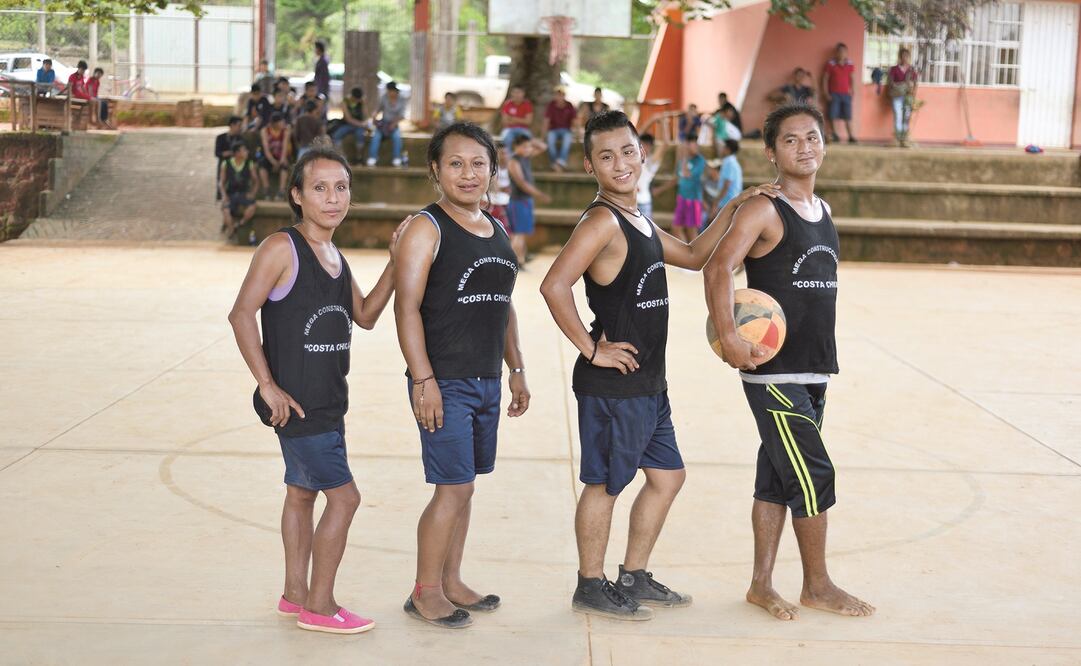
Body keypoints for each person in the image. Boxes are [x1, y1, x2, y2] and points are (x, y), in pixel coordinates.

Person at [539, 110, 778, 622]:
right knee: (604, 484)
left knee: (667, 477)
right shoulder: (602, 221)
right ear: (589, 165)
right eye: (606, 156)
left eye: (627, 151)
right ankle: (589, 583)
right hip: (613, 384)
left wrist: (734, 207)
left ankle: (634, 575)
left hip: (648, 382)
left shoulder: (637, 219)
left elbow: (693, 256)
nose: (620, 163)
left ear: (642, 151)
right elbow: (553, 284)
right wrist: (590, 346)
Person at [703, 103, 875, 622]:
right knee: (812, 473)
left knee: (778, 476)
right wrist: (729, 336)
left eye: (813, 137)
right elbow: (718, 267)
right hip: (772, 370)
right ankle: (817, 585)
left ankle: (760, 585)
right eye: (791, 140)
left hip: (814, 367)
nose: (805, 147)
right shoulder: (763, 209)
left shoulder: (822, 211)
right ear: (771, 152)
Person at [228, 144, 401, 635]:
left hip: (328, 401)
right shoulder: (282, 247)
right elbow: (242, 313)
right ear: (297, 195)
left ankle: (294, 595)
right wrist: (267, 386)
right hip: (299, 406)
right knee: (344, 499)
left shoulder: (336, 256)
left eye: (341, 187)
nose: (332, 198)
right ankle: (321, 607)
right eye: (320, 188)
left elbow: (364, 316)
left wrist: (393, 261)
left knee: (302, 493)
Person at [392, 122, 530, 629]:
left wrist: (516, 368)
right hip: (444, 379)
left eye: (478, 163)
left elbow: (504, 304)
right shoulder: (426, 228)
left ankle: (451, 580)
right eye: (455, 163)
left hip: (486, 378)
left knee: (465, 486)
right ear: (436, 170)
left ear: (493, 169)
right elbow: (406, 309)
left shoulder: (495, 227)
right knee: (451, 488)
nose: (468, 174)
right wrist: (423, 380)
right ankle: (425, 591)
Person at [506, 133, 552, 265]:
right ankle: (515, 261)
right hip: (518, 201)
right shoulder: (514, 161)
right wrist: (540, 195)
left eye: (529, 147)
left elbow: (543, 147)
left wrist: (529, 140)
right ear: (516, 147)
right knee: (518, 233)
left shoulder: (525, 158)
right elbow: (521, 183)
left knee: (521, 233)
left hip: (525, 200)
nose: (528, 149)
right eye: (524, 147)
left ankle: (521, 257)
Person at [655, 134, 707, 243]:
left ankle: (697, 257)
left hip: (693, 200)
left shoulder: (700, 160)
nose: (692, 147)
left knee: (691, 231)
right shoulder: (683, 160)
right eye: (689, 144)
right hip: (681, 199)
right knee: (676, 229)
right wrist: (660, 189)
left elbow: (686, 174)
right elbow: (677, 178)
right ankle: (688, 254)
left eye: (694, 144)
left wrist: (683, 156)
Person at [219, 141, 258, 238]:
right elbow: (221, 183)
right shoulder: (226, 163)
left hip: (243, 193)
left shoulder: (249, 163)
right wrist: (224, 195)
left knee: (252, 207)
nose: (247, 152)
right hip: (231, 194)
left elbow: (256, 181)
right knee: (225, 209)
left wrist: (253, 193)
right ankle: (231, 230)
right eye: (244, 150)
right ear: (237, 153)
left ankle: (239, 224)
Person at [822, 43, 856, 143]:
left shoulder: (850, 64)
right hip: (834, 93)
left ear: (846, 53)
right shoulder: (830, 64)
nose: (841, 53)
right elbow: (825, 78)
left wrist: (852, 90)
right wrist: (825, 92)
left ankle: (851, 136)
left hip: (846, 94)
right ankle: (835, 134)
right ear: (836, 52)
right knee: (833, 115)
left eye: (844, 51)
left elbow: (852, 78)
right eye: (839, 51)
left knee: (848, 116)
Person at [367, 82, 406, 167]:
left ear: (395, 91)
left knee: (396, 137)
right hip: (383, 124)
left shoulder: (402, 99)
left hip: (394, 124)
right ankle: (372, 157)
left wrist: (394, 123)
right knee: (376, 136)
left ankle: (397, 158)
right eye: (388, 91)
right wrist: (374, 116)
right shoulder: (384, 97)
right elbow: (378, 109)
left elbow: (402, 116)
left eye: (391, 91)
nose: (390, 93)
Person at [888, 48, 919, 148]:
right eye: (903, 55)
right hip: (897, 96)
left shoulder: (911, 69)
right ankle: (897, 138)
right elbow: (891, 82)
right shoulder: (894, 69)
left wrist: (913, 93)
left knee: (906, 117)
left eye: (907, 56)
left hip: (908, 97)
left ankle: (905, 138)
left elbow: (915, 82)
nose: (905, 58)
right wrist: (902, 85)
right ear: (900, 57)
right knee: (898, 116)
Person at [543, 86, 576, 171]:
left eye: (561, 95)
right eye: (557, 95)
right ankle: (555, 163)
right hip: (553, 130)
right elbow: (546, 120)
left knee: (567, 141)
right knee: (550, 141)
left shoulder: (569, 105)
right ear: (555, 96)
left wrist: (577, 132)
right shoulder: (551, 105)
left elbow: (574, 120)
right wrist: (543, 134)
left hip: (566, 130)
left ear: (564, 96)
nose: (559, 97)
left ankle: (560, 161)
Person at [260, 112, 292, 200]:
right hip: (270, 156)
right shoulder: (265, 130)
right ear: (275, 123)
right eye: (281, 122)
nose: (283, 123)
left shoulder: (286, 130)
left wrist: (281, 161)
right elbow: (266, 149)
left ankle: (281, 191)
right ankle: (266, 189)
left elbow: (284, 148)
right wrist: (273, 162)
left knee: (284, 165)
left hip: (281, 155)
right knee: (262, 165)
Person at [636, 133, 666, 220]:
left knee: (645, 232)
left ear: (650, 147)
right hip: (630, 202)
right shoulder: (634, 160)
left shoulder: (651, 162)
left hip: (643, 203)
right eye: (641, 145)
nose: (644, 147)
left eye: (647, 145)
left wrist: (661, 121)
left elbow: (665, 144)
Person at [215, 115, 245, 200]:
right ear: (232, 125)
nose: (240, 128)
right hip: (224, 166)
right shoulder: (221, 138)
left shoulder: (240, 138)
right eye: (239, 125)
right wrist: (230, 153)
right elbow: (217, 153)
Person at [711, 139, 743, 219]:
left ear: (727, 150)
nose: (721, 149)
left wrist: (716, 202)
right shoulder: (731, 162)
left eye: (723, 147)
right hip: (729, 202)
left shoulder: (729, 163)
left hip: (728, 203)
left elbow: (726, 186)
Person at [332, 87, 367, 158]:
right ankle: (339, 154)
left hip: (359, 126)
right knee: (336, 135)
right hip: (347, 124)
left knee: (360, 136)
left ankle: (359, 155)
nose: (356, 101)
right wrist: (361, 124)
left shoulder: (361, 102)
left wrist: (363, 104)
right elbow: (348, 119)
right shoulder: (345, 101)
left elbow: (365, 116)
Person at [500, 85, 534, 153]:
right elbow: (504, 121)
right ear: (511, 93)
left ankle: (524, 162)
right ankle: (509, 161)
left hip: (523, 129)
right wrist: (521, 120)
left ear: (523, 93)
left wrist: (512, 118)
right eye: (514, 92)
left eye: (519, 92)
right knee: (506, 139)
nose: (516, 95)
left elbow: (528, 121)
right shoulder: (507, 104)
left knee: (528, 140)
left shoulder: (527, 104)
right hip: (509, 129)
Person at [490, 147, 512, 233]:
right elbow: (495, 187)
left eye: (506, 153)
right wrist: (505, 189)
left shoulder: (512, 166)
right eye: (502, 153)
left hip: (509, 201)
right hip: (497, 201)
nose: (504, 156)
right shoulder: (493, 168)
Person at [313, 41, 330, 109]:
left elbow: (324, 78)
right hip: (320, 87)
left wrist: (319, 89)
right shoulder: (321, 60)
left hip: (321, 88)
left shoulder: (323, 61)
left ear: (319, 49)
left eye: (315, 48)